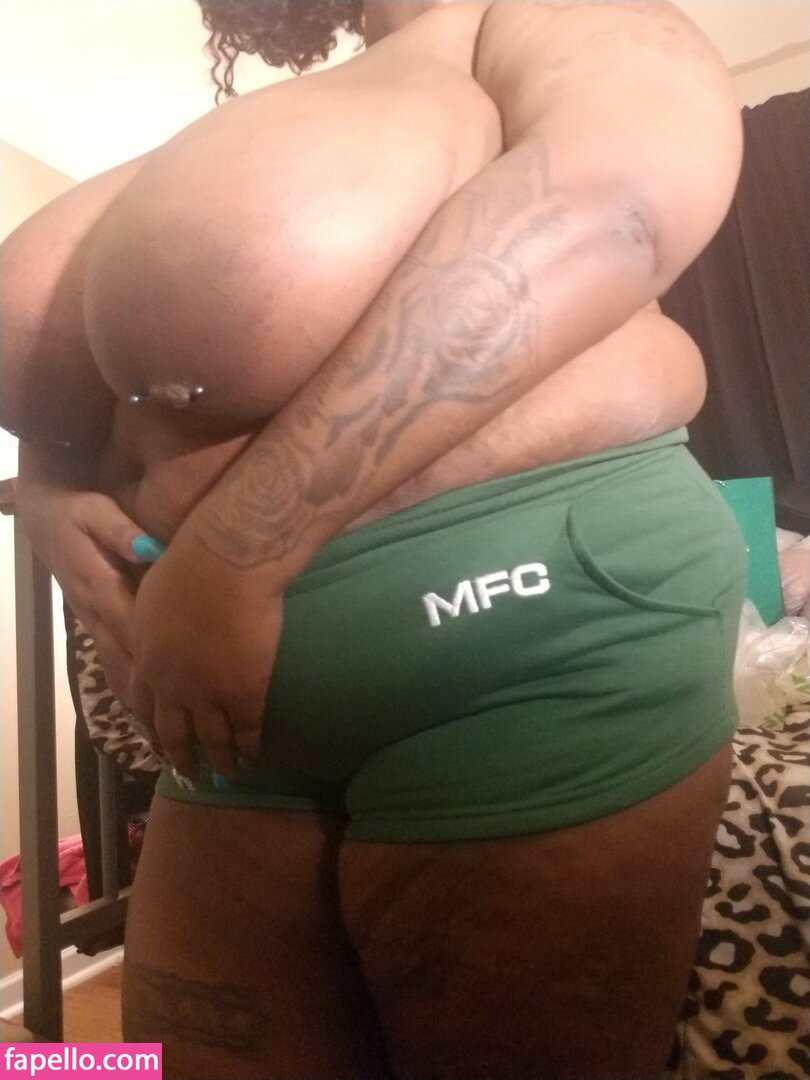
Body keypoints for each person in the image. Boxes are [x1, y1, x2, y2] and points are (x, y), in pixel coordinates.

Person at [1, 1, 747, 1076]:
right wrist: (48, 493)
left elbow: (612, 212)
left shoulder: (531, 19)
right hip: (225, 709)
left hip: (513, 642)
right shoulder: (303, 113)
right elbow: (86, 396)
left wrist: (240, 550)